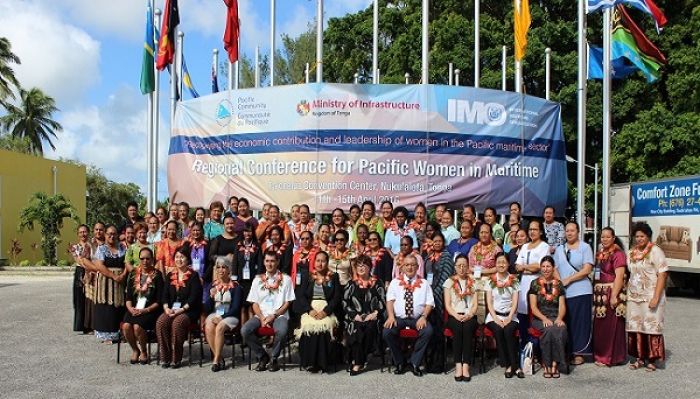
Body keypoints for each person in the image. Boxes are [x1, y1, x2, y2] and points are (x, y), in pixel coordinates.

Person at [241, 250, 296, 372]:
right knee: (245, 330)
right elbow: (254, 302)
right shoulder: (257, 280)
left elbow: (288, 302)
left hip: (279, 315)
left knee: (281, 331)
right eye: (267, 261)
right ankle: (263, 356)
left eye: (272, 261)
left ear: (277, 262)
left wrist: (274, 315)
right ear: (264, 262)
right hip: (261, 315)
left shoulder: (286, 279)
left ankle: (274, 358)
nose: (270, 264)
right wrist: (261, 318)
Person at [383, 254, 434, 376]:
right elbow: (390, 300)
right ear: (402, 267)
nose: (410, 267)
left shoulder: (424, 283)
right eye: (407, 265)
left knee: (428, 331)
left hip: (417, 318)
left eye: (412, 265)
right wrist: (390, 316)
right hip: (399, 318)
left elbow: (429, 303)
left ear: (417, 267)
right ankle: (400, 361)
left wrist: (424, 317)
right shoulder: (395, 282)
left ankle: (414, 362)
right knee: (387, 332)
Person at [627, 222, 668, 372]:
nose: (639, 239)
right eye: (637, 236)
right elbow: (629, 273)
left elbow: (662, 274)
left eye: (642, 236)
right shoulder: (631, 252)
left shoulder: (656, 251)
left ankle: (651, 359)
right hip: (634, 296)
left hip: (651, 296)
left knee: (651, 327)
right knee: (636, 327)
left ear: (648, 236)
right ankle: (639, 358)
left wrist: (656, 297)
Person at [553, 221, 594, 365]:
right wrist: (560, 282)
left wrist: (569, 279)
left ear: (578, 232)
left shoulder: (585, 247)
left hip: (582, 290)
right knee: (567, 322)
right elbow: (555, 268)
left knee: (580, 323)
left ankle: (580, 353)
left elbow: (587, 269)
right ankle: (567, 351)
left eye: (572, 230)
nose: (569, 233)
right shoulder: (559, 249)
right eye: (567, 231)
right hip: (564, 292)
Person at [295, 251, 342, 373]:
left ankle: (323, 363)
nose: (320, 264)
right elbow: (301, 296)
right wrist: (309, 310)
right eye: (318, 260)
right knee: (309, 326)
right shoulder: (307, 276)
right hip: (310, 308)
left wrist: (326, 312)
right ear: (314, 262)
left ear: (327, 263)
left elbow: (336, 297)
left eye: (323, 261)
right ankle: (310, 362)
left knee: (324, 326)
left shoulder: (333, 276)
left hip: (326, 309)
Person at [156, 247, 203, 368]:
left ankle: (176, 358)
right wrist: (166, 308)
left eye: (182, 257)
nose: (179, 259)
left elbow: (193, 298)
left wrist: (181, 310)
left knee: (177, 323)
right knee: (161, 322)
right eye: (177, 257)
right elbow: (165, 295)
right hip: (171, 309)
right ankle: (165, 356)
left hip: (188, 310)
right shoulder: (170, 275)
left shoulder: (193, 276)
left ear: (188, 260)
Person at [344, 255, 386, 376]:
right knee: (356, 328)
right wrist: (354, 315)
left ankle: (357, 362)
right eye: (359, 265)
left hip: (372, 317)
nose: (361, 267)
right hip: (355, 317)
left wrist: (374, 313)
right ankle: (359, 361)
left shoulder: (377, 283)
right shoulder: (351, 284)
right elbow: (345, 302)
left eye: (364, 265)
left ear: (370, 267)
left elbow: (383, 301)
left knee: (368, 327)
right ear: (355, 268)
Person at [122, 247, 163, 364]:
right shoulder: (133, 274)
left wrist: (145, 310)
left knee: (137, 327)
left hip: (150, 310)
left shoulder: (157, 275)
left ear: (152, 260)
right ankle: (135, 350)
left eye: (148, 259)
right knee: (126, 326)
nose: (145, 261)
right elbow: (128, 297)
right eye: (142, 259)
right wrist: (130, 309)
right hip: (135, 308)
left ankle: (144, 351)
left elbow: (159, 301)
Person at [593, 227, 628, 367]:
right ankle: (601, 354)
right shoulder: (601, 253)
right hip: (600, 293)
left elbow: (619, 276)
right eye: (602, 237)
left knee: (611, 326)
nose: (605, 239)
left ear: (613, 238)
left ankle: (611, 356)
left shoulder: (618, 254)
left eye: (608, 237)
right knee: (601, 327)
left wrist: (614, 296)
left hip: (611, 291)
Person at [485, 253, 523, 378]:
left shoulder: (514, 280)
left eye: (504, 262)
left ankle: (513, 365)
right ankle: (510, 365)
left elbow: (515, 302)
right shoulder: (490, 280)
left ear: (508, 264)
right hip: (493, 316)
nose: (501, 264)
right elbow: (489, 302)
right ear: (495, 264)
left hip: (510, 315)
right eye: (499, 262)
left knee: (508, 331)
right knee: (498, 329)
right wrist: (496, 318)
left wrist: (509, 318)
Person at [529, 256, 568, 378]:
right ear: (540, 268)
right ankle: (547, 364)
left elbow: (562, 306)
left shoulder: (559, 284)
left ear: (553, 268)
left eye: (548, 266)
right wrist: (544, 319)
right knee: (549, 329)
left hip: (555, 316)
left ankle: (555, 364)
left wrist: (559, 318)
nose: (545, 269)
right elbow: (533, 308)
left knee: (560, 329)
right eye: (543, 266)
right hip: (540, 318)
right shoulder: (535, 284)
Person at [90, 225, 128, 343]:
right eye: (109, 234)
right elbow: (99, 265)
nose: (112, 236)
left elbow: (127, 262)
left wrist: (123, 275)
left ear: (117, 235)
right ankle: (106, 335)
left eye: (114, 234)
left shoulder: (122, 248)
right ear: (105, 235)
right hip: (105, 281)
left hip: (120, 282)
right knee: (106, 307)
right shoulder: (101, 249)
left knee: (118, 307)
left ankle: (119, 333)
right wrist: (113, 276)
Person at [204, 257, 243, 372]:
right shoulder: (213, 286)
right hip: (216, 313)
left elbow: (236, 309)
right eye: (218, 267)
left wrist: (222, 317)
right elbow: (206, 309)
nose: (221, 270)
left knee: (220, 327)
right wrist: (211, 297)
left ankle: (216, 360)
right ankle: (220, 358)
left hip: (230, 316)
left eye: (224, 267)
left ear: (229, 270)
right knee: (208, 325)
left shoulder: (236, 287)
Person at [423, 231, 455, 371]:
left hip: (439, 298)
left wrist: (433, 294)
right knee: (428, 330)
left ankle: (438, 363)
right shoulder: (429, 257)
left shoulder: (447, 257)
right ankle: (428, 361)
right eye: (434, 241)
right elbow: (425, 277)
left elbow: (446, 279)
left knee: (438, 331)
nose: (437, 243)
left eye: (439, 241)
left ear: (443, 243)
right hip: (427, 297)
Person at [444, 254, 478, 381]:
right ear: (455, 267)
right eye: (459, 266)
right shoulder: (449, 282)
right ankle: (458, 364)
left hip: (470, 315)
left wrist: (470, 314)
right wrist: (456, 315)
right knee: (458, 329)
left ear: (468, 267)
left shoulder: (473, 281)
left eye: (464, 265)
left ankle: (466, 365)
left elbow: (475, 303)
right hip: (454, 315)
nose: (462, 268)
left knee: (468, 328)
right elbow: (447, 304)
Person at [515, 220, 550, 346]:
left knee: (535, 314)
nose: (532, 232)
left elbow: (539, 266)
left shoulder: (544, 246)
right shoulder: (524, 246)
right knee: (523, 314)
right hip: (524, 282)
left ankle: (537, 348)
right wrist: (528, 267)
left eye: (535, 229)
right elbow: (517, 266)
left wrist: (525, 266)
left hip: (537, 282)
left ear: (540, 231)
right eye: (530, 229)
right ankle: (525, 347)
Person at [467, 223, 503, 323]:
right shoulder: (473, 248)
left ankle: (485, 324)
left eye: (486, 232)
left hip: (490, 280)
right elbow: (469, 266)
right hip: (474, 279)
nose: (484, 235)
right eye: (481, 232)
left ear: (490, 234)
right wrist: (473, 272)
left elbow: (500, 266)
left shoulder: (497, 249)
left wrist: (484, 272)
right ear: (478, 234)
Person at [234, 222, 262, 327]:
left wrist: (258, 277)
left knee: (251, 306)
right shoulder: (238, 245)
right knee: (242, 308)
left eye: (249, 231)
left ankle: (250, 332)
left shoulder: (257, 245)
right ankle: (242, 335)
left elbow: (260, 263)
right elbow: (235, 262)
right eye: (246, 231)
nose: (247, 233)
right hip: (241, 280)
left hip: (252, 280)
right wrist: (234, 278)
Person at [71, 224, 92, 333]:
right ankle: (80, 325)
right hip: (80, 272)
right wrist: (87, 268)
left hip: (92, 271)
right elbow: (78, 260)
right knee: (79, 298)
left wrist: (90, 271)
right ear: (78, 234)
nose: (83, 234)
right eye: (81, 232)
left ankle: (90, 325)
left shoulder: (92, 245)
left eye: (85, 231)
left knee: (90, 299)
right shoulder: (75, 247)